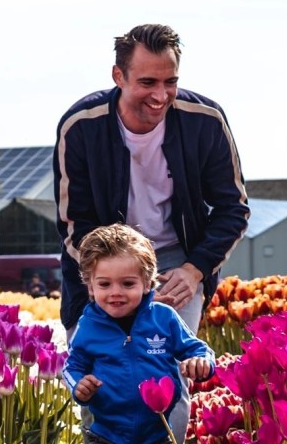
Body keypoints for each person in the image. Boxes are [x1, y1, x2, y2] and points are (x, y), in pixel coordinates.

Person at [53, 23, 249, 442]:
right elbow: (74, 222)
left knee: (166, 371)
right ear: (118, 76)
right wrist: (109, 280)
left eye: (170, 82)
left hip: (179, 263)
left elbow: (234, 208)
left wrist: (195, 271)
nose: (161, 95)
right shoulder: (81, 126)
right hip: (101, 263)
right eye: (147, 82)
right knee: (96, 374)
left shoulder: (205, 122)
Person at [63, 223, 215, 444]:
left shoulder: (164, 317)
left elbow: (198, 349)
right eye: (104, 284)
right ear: (90, 287)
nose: (116, 292)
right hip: (106, 436)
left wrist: (201, 362)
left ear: (146, 283)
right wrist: (79, 384)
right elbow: (72, 366)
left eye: (127, 283)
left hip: (158, 433)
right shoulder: (88, 326)